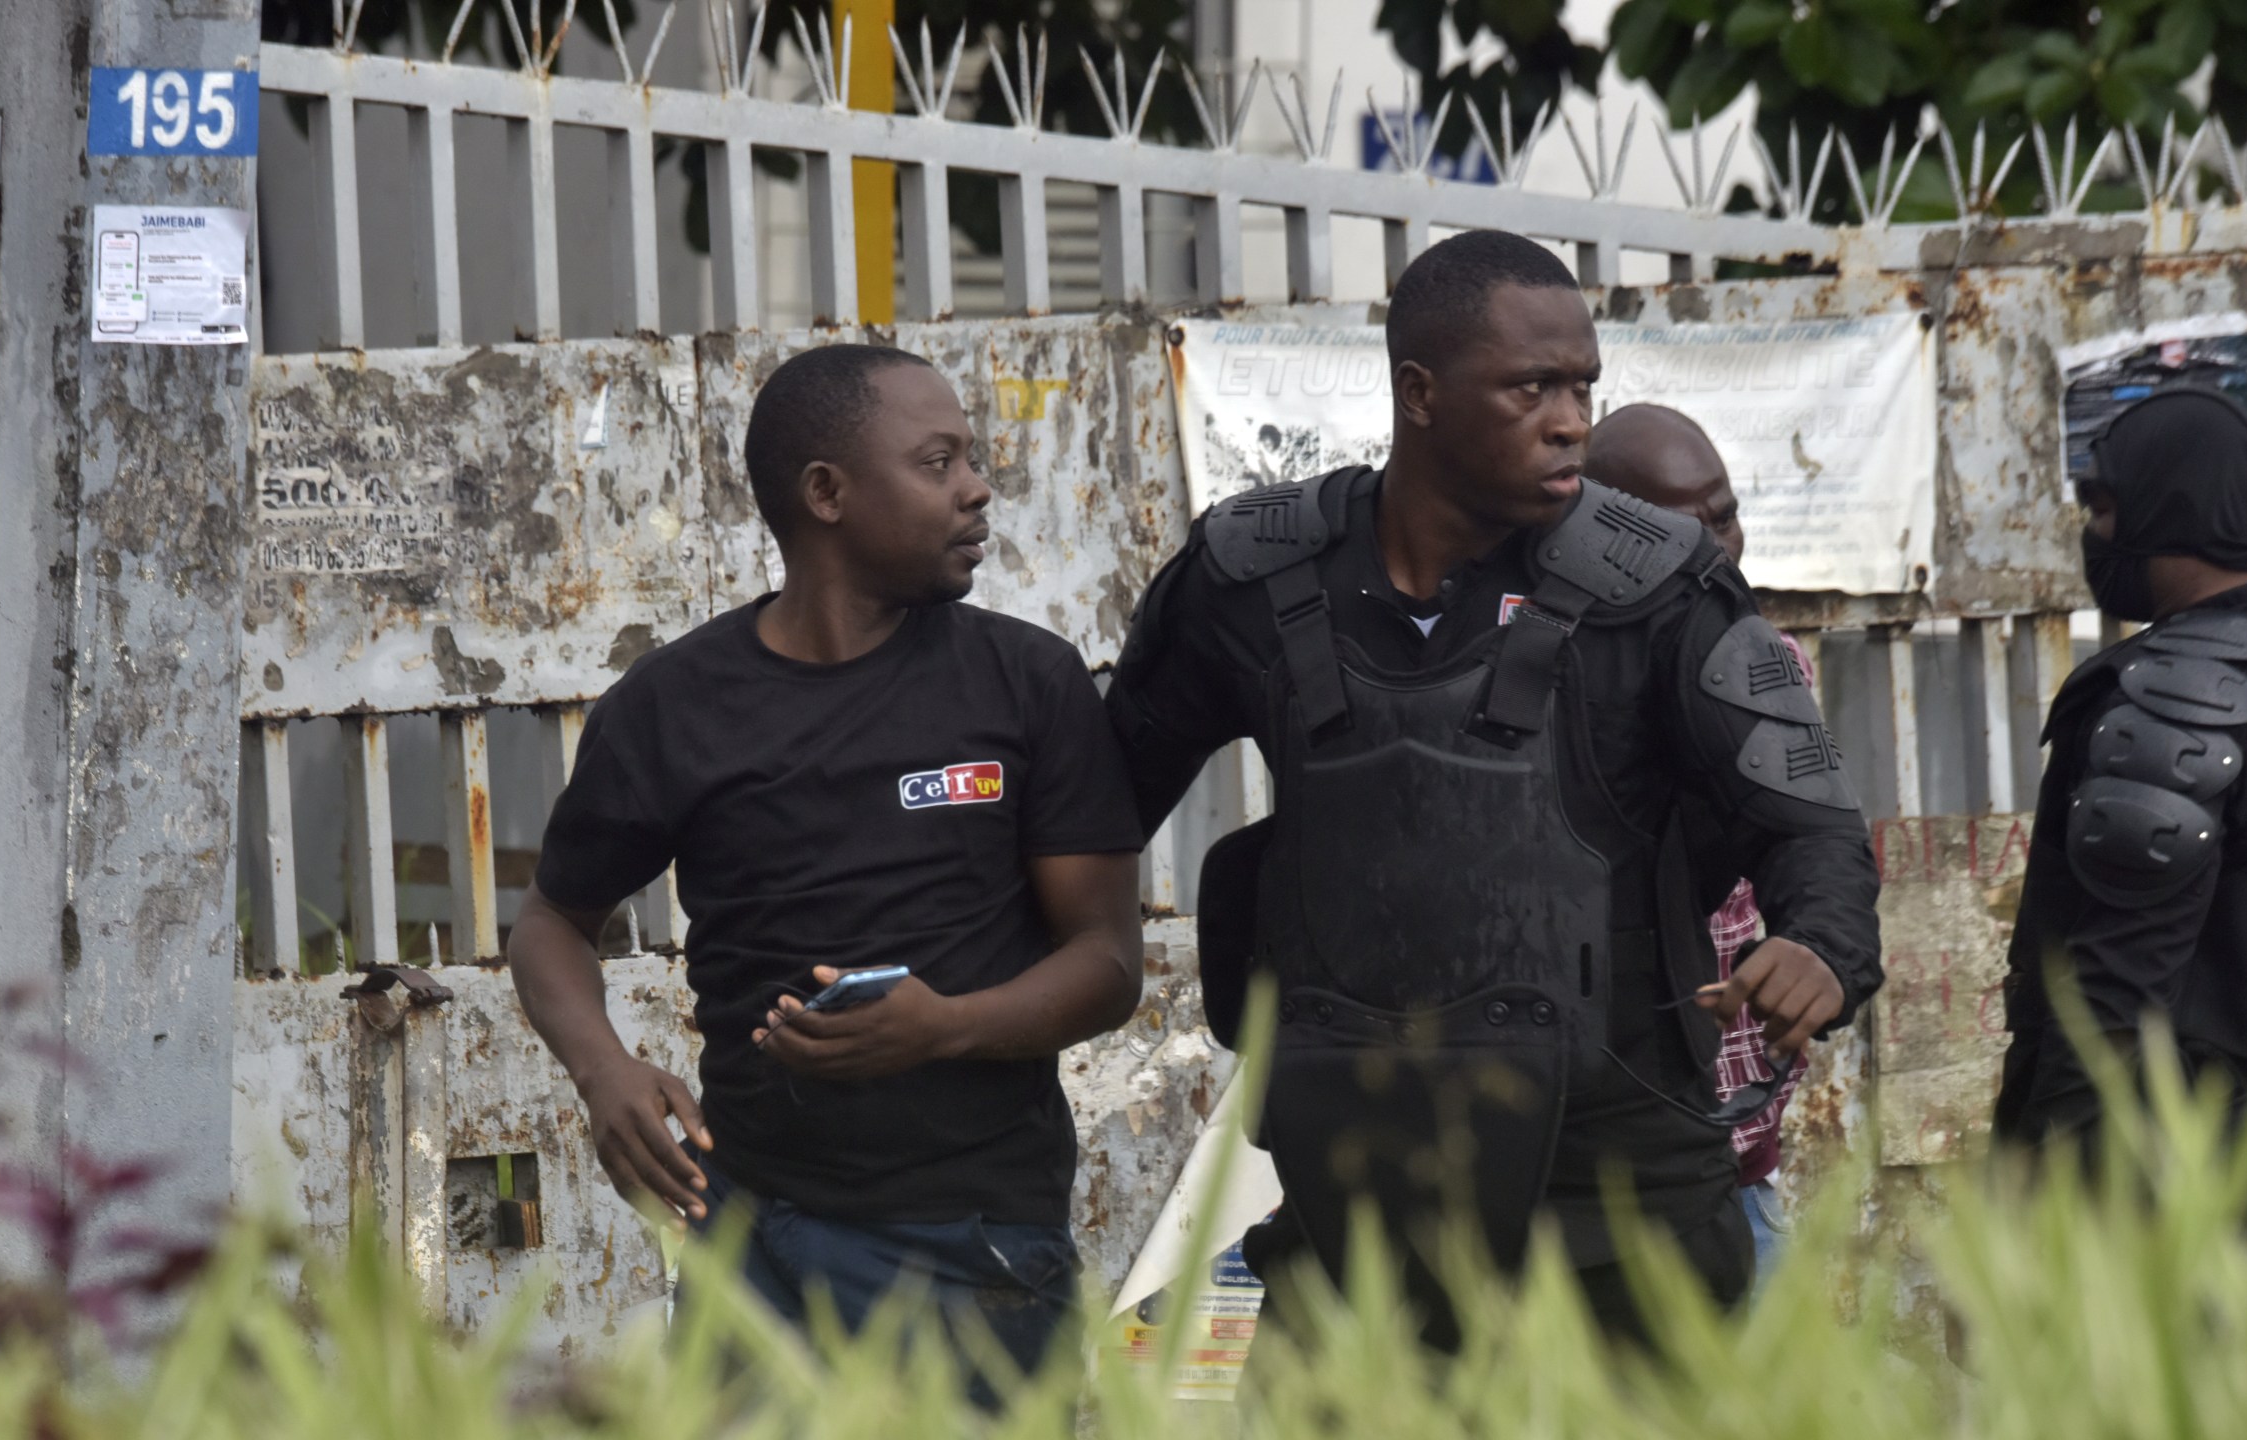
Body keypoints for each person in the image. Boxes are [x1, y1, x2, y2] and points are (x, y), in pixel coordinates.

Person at [1106, 230, 1882, 1349]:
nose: (1571, 419)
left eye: (1581, 387)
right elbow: (1091, 814)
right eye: (1532, 388)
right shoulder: (1252, 575)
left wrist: (1820, 946)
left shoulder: (1663, 585)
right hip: (1355, 1194)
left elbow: (1810, 821)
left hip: (1620, 1201)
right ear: (1418, 392)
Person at [507, 344, 1147, 1392]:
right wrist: (605, 1071)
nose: (977, 489)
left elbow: (1107, 963)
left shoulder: (1026, 683)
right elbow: (551, 922)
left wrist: (945, 1027)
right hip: (755, 1240)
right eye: (938, 463)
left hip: (975, 1240)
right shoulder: (674, 706)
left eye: (970, 460)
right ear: (826, 495)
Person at [1993, 388, 2247, 1272]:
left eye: (2105, 509)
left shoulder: (2160, 698)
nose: (2095, 534)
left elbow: (2110, 996)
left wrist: (2018, 1209)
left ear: (2172, 509)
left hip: (2167, 1149)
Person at [1587, 402, 1809, 1289]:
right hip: (1589, 1188)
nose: (1721, 547)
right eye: (1689, 527)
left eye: (1727, 514)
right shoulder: (1540, 682)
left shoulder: (1770, 669)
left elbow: (1809, 852)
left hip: (1734, 1173)